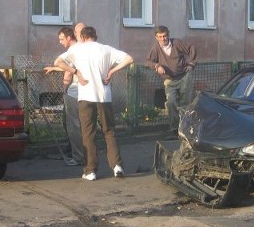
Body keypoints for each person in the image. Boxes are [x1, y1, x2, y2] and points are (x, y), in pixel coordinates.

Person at [53, 26, 134, 181]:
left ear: (82, 38)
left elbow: (58, 62)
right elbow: (129, 59)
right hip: (104, 96)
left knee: (88, 134)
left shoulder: (78, 50)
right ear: (95, 36)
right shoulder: (106, 49)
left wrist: (76, 72)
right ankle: (117, 165)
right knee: (109, 131)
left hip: (85, 96)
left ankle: (90, 171)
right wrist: (111, 71)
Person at [43, 26, 84, 166]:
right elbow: (67, 67)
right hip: (87, 93)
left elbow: (67, 69)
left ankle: (78, 156)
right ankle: (84, 154)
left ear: (69, 37)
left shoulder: (73, 50)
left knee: (73, 126)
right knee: (84, 125)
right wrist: (54, 69)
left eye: (61, 39)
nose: (60, 42)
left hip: (74, 92)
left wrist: (65, 88)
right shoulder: (84, 48)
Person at [146, 25, 197, 137]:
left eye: (165, 36)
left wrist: (191, 64)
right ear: (156, 37)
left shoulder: (177, 43)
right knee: (171, 103)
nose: (163, 39)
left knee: (185, 104)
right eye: (160, 37)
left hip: (184, 77)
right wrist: (156, 66)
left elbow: (192, 47)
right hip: (169, 80)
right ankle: (174, 128)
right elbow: (149, 61)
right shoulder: (155, 49)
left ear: (168, 35)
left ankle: (184, 129)